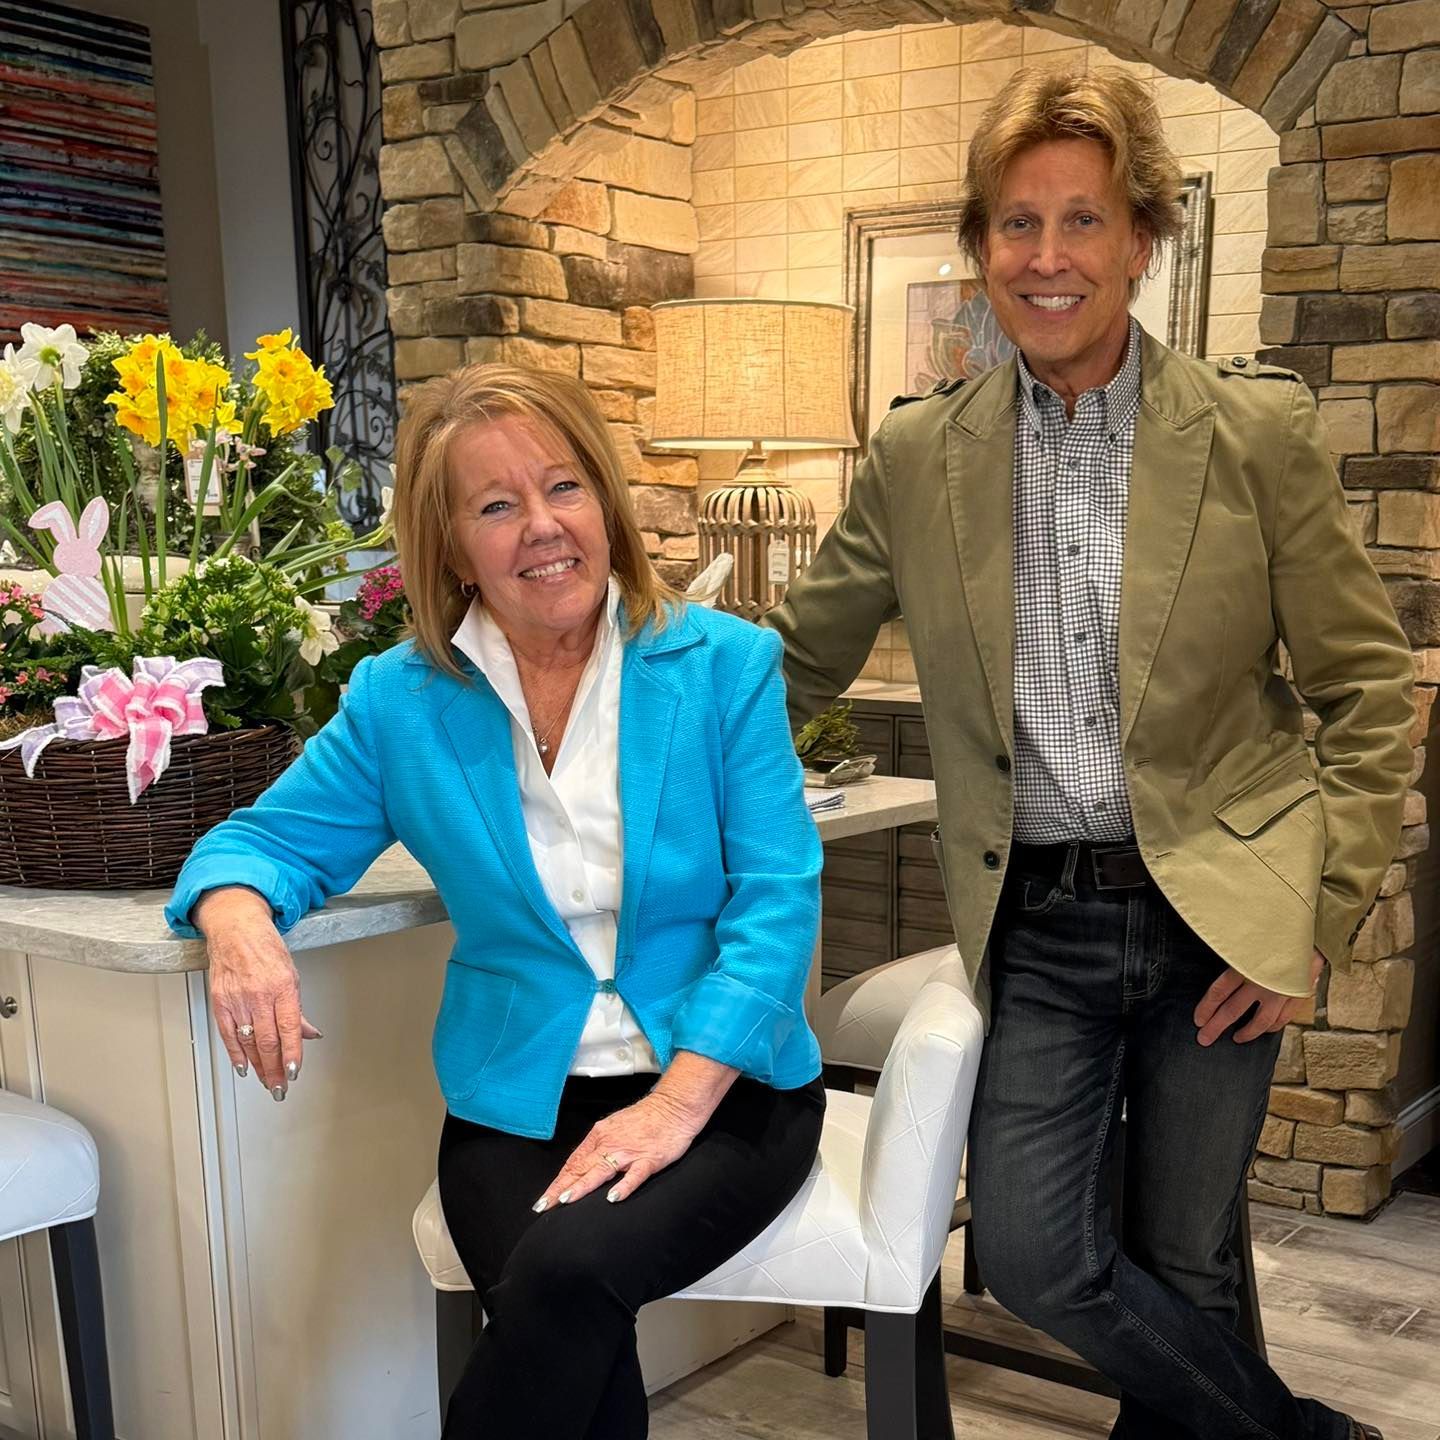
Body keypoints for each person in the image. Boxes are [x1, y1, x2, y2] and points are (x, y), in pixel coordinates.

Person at [764, 66, 1412, 1440]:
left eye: (1082, 220)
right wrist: (605, 718)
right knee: (1038, 1253)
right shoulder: (918, 457)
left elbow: (1365, 689)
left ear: (1140, 240)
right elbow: (793, 663)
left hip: (1218, 914)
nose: (1047, 256)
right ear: (981, 248)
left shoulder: (1253, 435)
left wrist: (1313, 918)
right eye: (1017, 223)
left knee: (1185, 1258)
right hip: (1038, 921)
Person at [166, 364, 825, 1439]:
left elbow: (777, 904)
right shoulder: (400, 701)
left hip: (723, 1085)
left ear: (605, 504)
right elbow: (260, 842)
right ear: (451, 548)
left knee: (561, 1279)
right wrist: (238, 921)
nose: (543, 527)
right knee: (568, 1333)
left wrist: (672, 1106)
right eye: (495, 506)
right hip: (515, 1098)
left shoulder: (725, 667)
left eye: (564, 487)